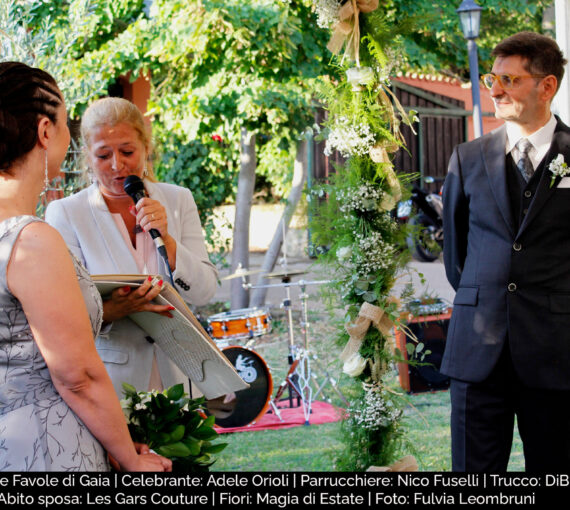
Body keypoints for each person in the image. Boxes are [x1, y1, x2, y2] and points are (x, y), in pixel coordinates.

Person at [0, 62, 171, 472]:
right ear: (45, 132)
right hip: (45, 447)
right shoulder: (31, 240)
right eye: (63, 123)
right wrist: (129, 456)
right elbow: (77, 375)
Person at [442, 31, 570, 472]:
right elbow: (456, 257)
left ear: (546, 86)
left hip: (558, 353)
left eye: (509, 81)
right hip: (477, 353)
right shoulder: (466, 157)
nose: (495, 90)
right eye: (491, 80)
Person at [45, 97, 217, 398]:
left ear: (146, 148)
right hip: (112, 385)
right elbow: (63, 315)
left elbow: (203, 293)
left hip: (181, 378)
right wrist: (111, 310)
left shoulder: (177, 200)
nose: (117, 165)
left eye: (127, 151)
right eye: (102, 155)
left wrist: (169, 240)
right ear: (87, 156)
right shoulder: (67, 213)